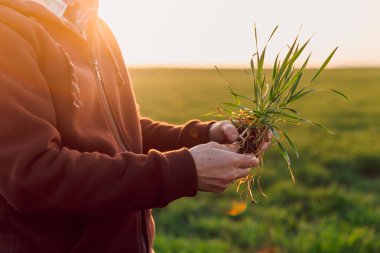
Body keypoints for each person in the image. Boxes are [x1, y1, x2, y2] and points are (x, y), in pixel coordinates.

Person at [0, 0, 271, 252]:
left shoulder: (96, 28)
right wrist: (184, 169)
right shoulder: (7, 33)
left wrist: (200, 135)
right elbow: (34, 178)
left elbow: (123, 131)